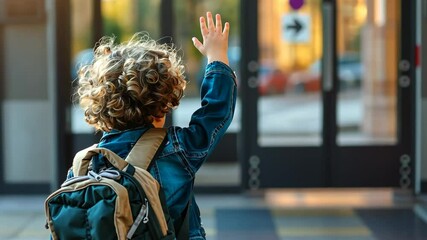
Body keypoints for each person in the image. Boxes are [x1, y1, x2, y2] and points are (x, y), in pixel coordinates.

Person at [75, 12, 237, 239]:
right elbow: (215, 113)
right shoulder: (177, 150)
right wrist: (217, 57)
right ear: (162, 106)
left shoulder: (83, 165)